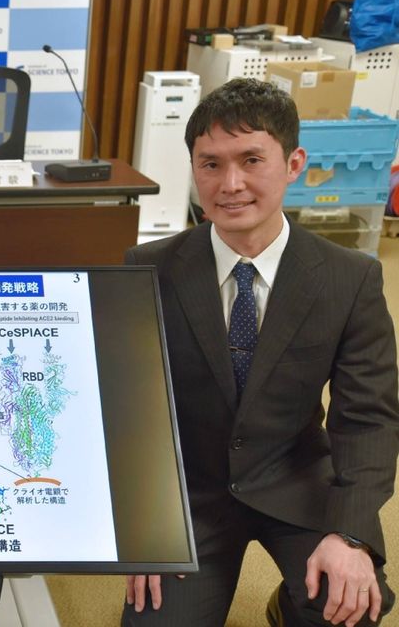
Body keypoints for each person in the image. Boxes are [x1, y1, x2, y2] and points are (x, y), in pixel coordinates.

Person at [123, 77, 399, 627]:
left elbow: (368, 417)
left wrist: (351, 535)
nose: (231, 184)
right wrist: (142, 528)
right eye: (210, 164)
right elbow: (126, 410)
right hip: (187, 494)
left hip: (293, 476)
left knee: (347, 612)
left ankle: (290, 605)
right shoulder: (145, 270)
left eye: (252, 159)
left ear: (293, 163)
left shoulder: (351, 279)